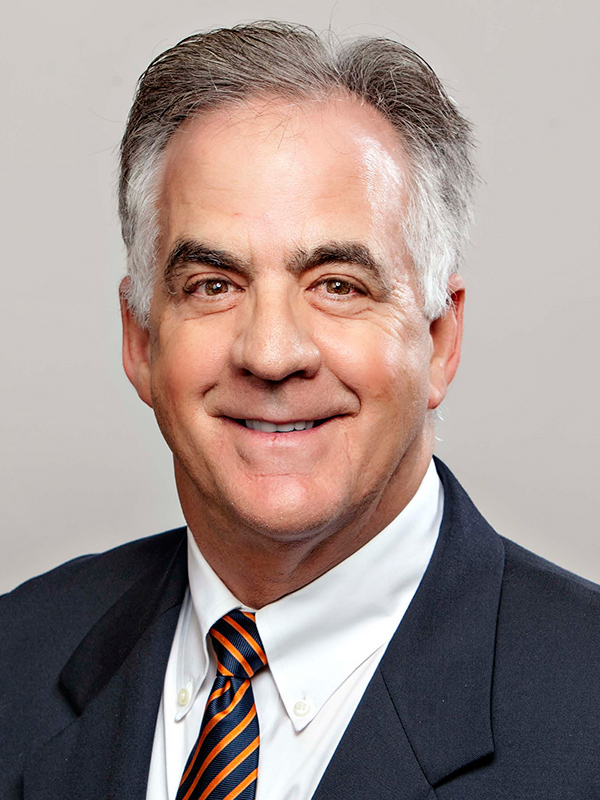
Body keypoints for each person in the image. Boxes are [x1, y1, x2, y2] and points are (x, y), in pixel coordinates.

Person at [1, 20, 599, 800]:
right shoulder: (17, 658)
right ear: (140, 340)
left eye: (338, 285)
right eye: (213, 285)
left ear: (439, 340)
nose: (272, 352)